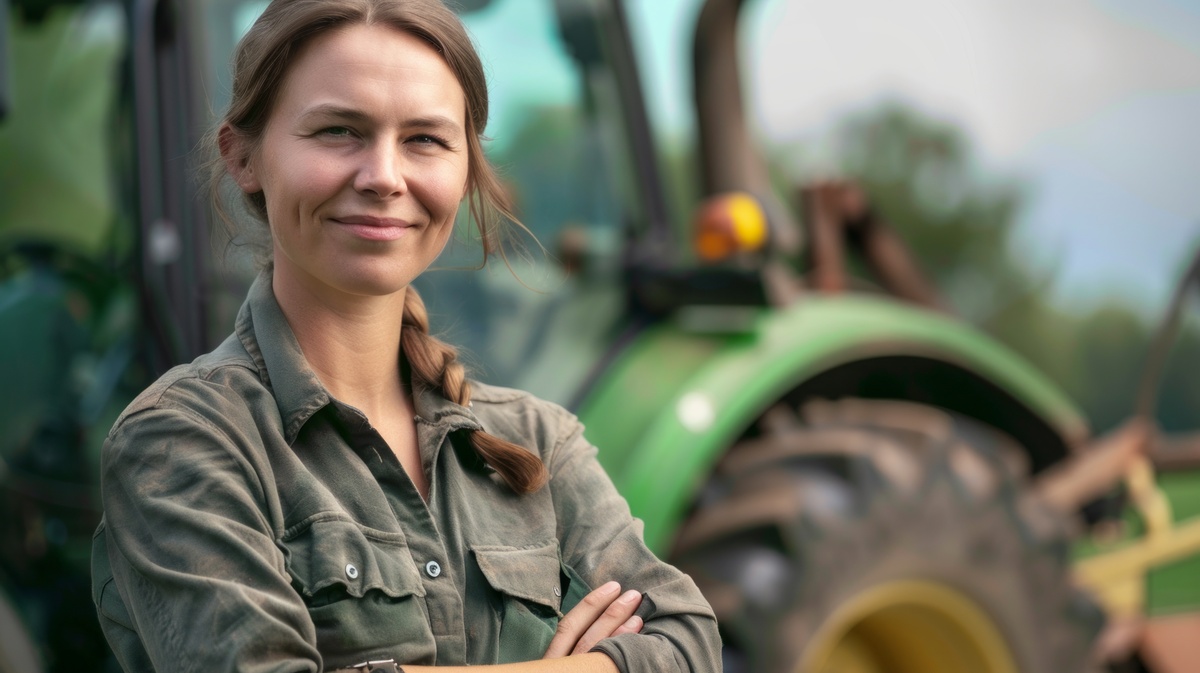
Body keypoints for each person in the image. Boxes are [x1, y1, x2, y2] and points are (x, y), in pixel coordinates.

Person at [89, 0, 721, 671]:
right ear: (243, 156)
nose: (384, 177)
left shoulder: (537, 443)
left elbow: (687, 643)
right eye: (338, 131)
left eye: (424, 139)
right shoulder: (180, 442)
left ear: (468, 169)